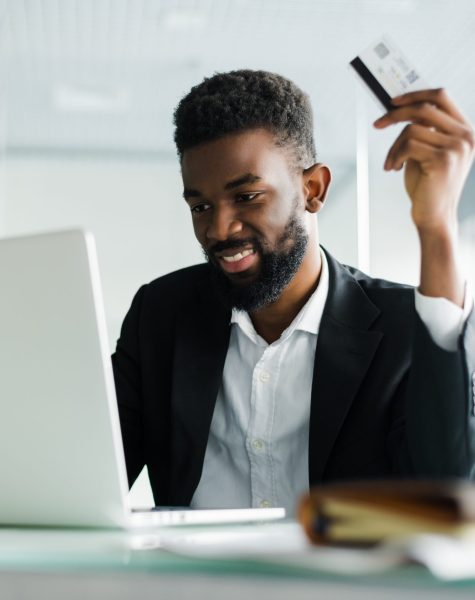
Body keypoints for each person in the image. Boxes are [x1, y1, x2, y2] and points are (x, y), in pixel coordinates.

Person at [112, 70, 475, 515]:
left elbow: (444, 491)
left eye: (247, 196)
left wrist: (436, 226)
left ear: (313, 189)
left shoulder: (404, 327)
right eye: (200, 207)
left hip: (342, 586)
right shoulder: (160, 316)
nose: (218, 229)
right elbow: (86, 478)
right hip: (193, 585)